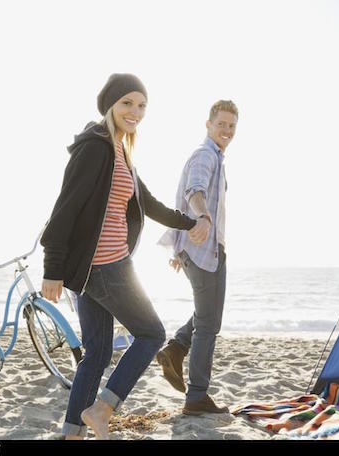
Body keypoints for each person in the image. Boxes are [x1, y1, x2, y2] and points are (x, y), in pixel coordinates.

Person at [40, 73, 210, 440]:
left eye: (142, 105)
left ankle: (72, 434)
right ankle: (101, 408)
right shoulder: (96, 147)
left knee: (98, 352)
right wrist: (52, 268)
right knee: (152, 334)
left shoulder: (121, 151)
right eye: (128, 103)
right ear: (111, 105)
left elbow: (147, 204)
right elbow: (65, 208)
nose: (135, 111)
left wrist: (189, 222)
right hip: (104, 265)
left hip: (93, 271)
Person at [157, 100, 238, 415]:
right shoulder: (205, 155)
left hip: (205, 249)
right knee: (207, 324)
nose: (227, 131)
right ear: (208, 124)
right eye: (221, 124)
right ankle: (197, 397)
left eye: (232, 126)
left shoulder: (216, 157)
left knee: (210, 317)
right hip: (202, 248)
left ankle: (176, 348)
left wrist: (181, 246)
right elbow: (194, 192)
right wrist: (202, 218)